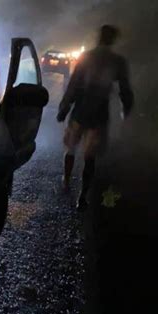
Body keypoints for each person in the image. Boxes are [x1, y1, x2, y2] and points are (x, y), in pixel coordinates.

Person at [57, 25, 134, 210]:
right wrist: (126, 110)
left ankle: (66, 182)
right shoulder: (117, 61)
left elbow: (73, 85)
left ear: (99, 38)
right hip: (99, 115)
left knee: (70, 149)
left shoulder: (87, 57)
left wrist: (64, 107)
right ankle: (82, 195)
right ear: (113, 40)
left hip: (80, 111)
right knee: (90, 157)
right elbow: (125, 90)